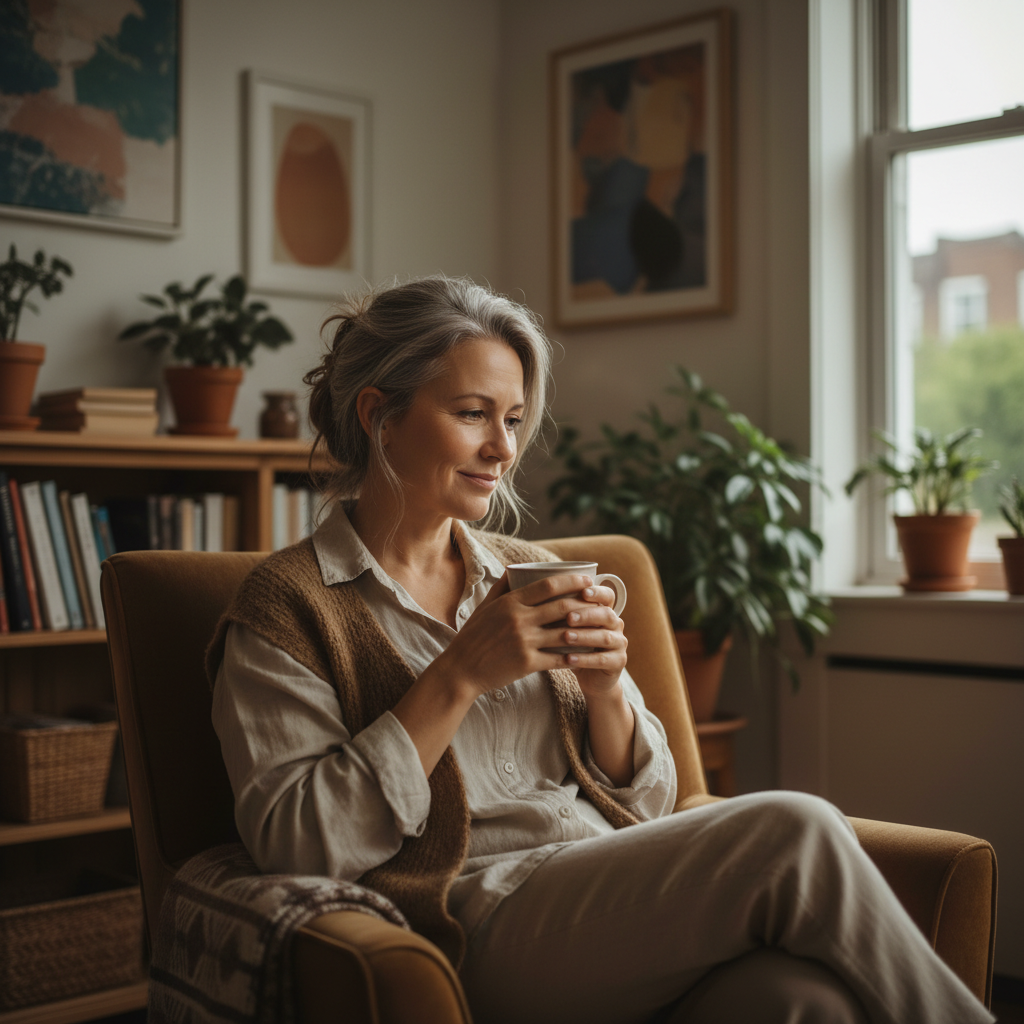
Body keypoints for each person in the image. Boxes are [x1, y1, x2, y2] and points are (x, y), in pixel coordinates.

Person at [210, 276, 993, 1024]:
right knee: (797, 829)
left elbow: (652, 805)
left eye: (513, 420)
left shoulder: (533, 574)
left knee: (798, 1003)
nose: (502, 449)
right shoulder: (289, 607)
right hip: (469, 924)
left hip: (608, 901)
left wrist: (610, 688)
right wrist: (457, 677)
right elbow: (296, 844)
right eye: (474, 413)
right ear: (380, 415)